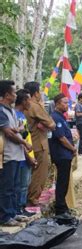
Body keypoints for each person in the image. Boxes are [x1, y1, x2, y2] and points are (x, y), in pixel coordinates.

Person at [0, 80, 32, 226]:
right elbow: (9, 133)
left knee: (15, 186)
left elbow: (17, 130)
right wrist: (24, 142)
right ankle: (5, 216)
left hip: (17, 154)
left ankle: (13, 212)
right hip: (7, 154)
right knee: (7, 187)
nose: (15, 95)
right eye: (13, 92)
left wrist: (17, 130)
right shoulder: (1, 111)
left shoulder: (11, 111)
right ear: (7, 95)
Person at [24, 81, 56, 207]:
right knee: (39, 172)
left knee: (30, 173)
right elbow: (51, 124)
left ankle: (29, 197)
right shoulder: (35, 106)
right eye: (40, 91)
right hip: (38, 143)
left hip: (29, 143)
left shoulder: (24, 106)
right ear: (36, 93)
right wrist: (47, 125)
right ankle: (33, 198)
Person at [49, 93, 77, 220]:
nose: (67, 105)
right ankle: (60, 209)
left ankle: (63, 206)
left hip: (65, 154)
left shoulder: (62, 117)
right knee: (61, 182)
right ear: (57, 104)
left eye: (68, 102)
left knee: (64, 182)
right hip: (61, 154)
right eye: (65, 102)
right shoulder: (55, 117)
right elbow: (61, 138)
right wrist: (72, 148)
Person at [14, 89, 37, 217]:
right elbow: (19, 140)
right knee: (20, 185)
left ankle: (22, 207)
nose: (30, 102)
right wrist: (28, 157)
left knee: (25, 183)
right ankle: (19, 209)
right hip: (21, 157)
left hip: (26, 155)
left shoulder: (23, 115)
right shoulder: (16, 116)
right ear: (23, 101)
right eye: (29, 99)